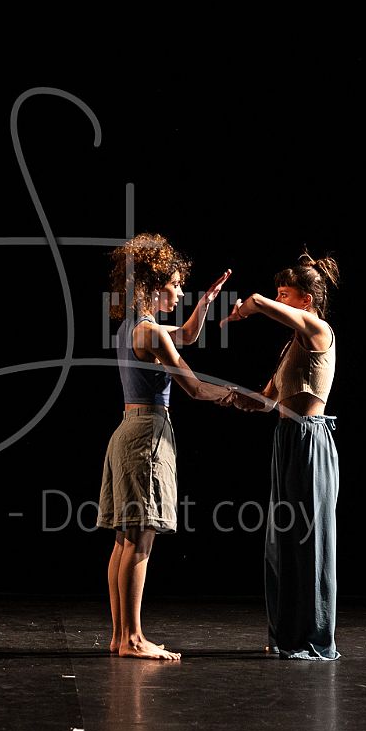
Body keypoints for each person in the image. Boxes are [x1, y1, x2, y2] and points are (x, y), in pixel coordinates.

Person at [98, 233, 253, 660]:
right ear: (153, 285)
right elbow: (195, 388)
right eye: (176, 285)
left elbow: (184, 335)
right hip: (147, 435)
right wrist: (237, 398)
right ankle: (133, 639)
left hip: (127, 431)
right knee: (140, 540)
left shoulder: (133, 327)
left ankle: (121, 636)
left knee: (125, 539)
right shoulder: (150, 333)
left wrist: (204, 304)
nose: (181, 293)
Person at [221, 250, 342, 660]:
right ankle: (287, 634)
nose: (278, 299)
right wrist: (232, 398)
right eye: (278, 294)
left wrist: (246, 309)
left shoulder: (318, 329)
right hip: (286, 438)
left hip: (310, 439)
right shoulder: (291, 347)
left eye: (284, 294)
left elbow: (257, 301)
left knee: (309, 537)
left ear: (305, 299)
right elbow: (268, 400)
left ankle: (314, 636)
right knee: (284, 538)